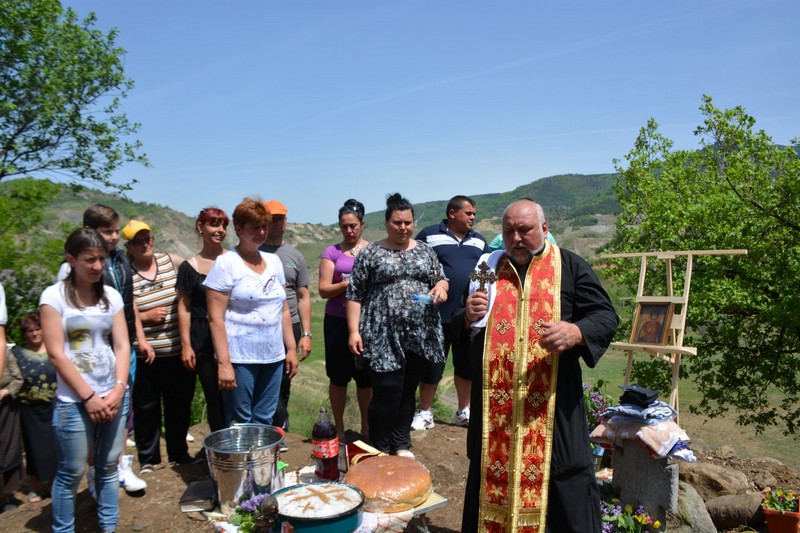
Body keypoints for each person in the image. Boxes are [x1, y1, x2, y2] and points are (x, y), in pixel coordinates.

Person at [456, 199, 618, 533]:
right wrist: (467, 314)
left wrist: (576, 331)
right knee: (489, 482)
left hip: (553, 409)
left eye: (525, 230)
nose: (516, 238)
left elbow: (605, 316)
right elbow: (463, 319)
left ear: (544, 229)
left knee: (562, 482)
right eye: (509, 230)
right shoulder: (485, 268)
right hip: (495, 415)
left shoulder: (569, 266)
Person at [40, 228, 131, 533]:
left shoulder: (110, 297)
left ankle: (109, 527)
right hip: (74, 400)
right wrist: (88, 397)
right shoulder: (54, 298)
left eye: (101, 259)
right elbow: (56, 353)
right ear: (71, 259)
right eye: (89, 259)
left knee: (107, 467)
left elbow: (121, 345)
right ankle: (63, 529)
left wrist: (119, 388)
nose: (96, 266)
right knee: (72, 471)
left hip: (113, 393)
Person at [57, 204, 151, 493]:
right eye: (107, 231)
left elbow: (128, 301)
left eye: (115, 231)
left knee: (121, 403)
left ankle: (120, 464)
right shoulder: (72, 270)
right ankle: (95, 471)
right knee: (92, 411)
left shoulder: (121, 260)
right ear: (90, 232)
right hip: (90, 351)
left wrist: (139, 338)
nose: (113, 237)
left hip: (123, 346)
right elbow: (71, 318)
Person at [346, 193, 448, 456]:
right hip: (382, 334)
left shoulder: (425, 250)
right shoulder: (371, 252)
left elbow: (441, 279)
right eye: (397, 222)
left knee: (407, 390)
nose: (403, 227)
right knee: (387, 390)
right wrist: (354, 331)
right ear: (387, 222)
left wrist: (441, 287)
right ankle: (379, 447)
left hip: (420, 332)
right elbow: (355, 294)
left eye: (408, 222)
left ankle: (401, 443)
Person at [205, 197, 299, 426]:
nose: (261, 231)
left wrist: (291, 349)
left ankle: (261, 462)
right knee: (241, 419)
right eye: (254, 226)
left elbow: (283, 309)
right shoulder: (227, 263)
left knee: (265, 418)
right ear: (238, 228)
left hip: (273, 355)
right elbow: (215, 318)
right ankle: (240, 463)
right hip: (240, 357)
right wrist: (224, 364)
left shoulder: (274, 261)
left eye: (264, 226)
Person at [412, 195, 488, 430]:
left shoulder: (479, 241)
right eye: (469, 213)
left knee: (465, 365)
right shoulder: (429, 235)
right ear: (452, 213)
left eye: (474, 213)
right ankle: (425, 412)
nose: (473, 217)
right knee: (433, 365)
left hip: (468, 316)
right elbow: (414, 264)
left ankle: (463, 411)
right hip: (436, 315)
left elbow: (485, 271)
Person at [124, 220, 195, 470]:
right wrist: (146, 316)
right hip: (146, 353)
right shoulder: (126, 272)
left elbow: (191, 276)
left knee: (179, 404)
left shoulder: (170, 261)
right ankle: (149, 459)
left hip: (178, 349)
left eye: (147, 237)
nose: (145, 243)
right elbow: (122, 312)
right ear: (129, 246)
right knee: (147, 407)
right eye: (138, 241)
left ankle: (179, 453)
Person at [318, 199, 372, 440]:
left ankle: (367, 429)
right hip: (337, 322)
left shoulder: (372, 250)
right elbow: (323, 290)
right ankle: (338, 430)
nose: (349, 231)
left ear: (362, 225)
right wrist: (345, 284)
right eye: (344, 226)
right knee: (338, 378)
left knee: (366, 379)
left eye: (353, 226)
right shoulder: (332, 252)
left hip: (367, 322)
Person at [259, 200, 312, 436]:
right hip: (261, 326)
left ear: (285, 221)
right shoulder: (254, 252)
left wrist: (307, 334)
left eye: (280, 218)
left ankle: (280, 429)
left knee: (284, 379)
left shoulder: (295, 255)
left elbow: (303, 295)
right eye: (271, 218)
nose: (276, 223)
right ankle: (270, 428)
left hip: (290, 324)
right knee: (264, 380)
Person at [177, 207, 229, 434]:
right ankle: (221, 452)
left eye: (224, 225)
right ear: (200, 227)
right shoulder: (189, 267)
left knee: (236, 395)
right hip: (203, 340)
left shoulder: (233, 261)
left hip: (233, 336)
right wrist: (186, 345)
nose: (220, 230)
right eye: (214, 224)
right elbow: (184, 307)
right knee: (214, 395)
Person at [9, 313, 58, 503]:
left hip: (53, 406)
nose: (35, 333)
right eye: (30, 331)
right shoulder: (17, 354)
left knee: (55, 447)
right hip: (29, 409)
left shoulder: (55, 349)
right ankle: (35, 486)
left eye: (38, 329)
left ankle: (53, 484)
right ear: (24, 334)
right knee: (33, 448)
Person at [1, 281, 24, 513]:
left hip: (5, 405)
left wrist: (5, 392)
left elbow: (17, 379)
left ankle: (7, 495)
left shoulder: (7, 352)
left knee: (7, 448)